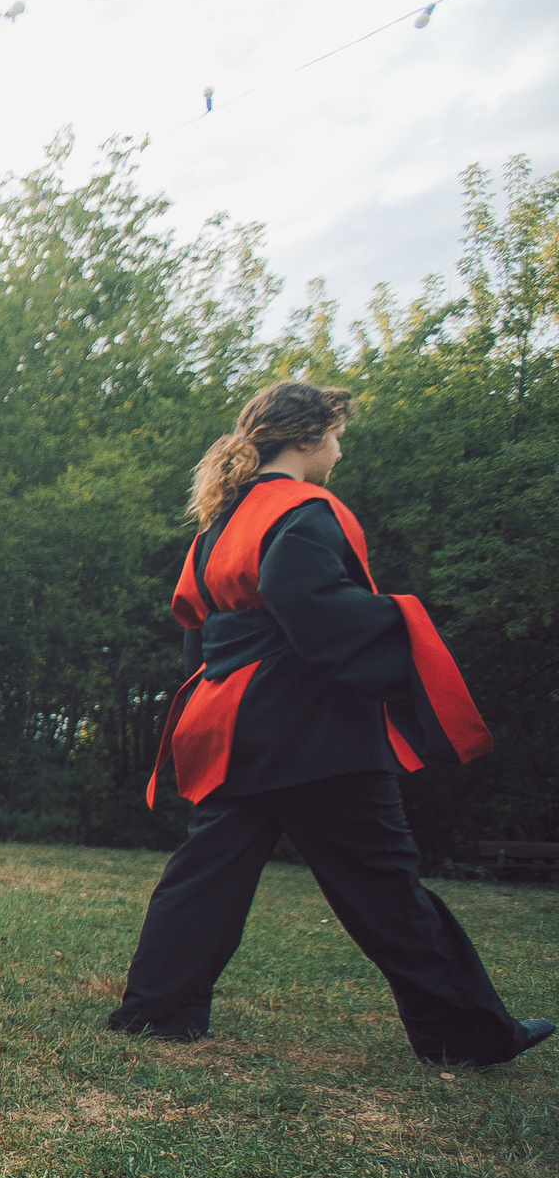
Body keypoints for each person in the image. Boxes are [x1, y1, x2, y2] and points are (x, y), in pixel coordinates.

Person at [110, 381, 550, 1067]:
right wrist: (405, 620)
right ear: (308, 436)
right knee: (384, 883)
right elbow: (316, 611)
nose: (339, 452)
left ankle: (156, 1011)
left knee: (207, 873)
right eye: (337, 436)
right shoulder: (305, 510)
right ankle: (464, 1035)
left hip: (230, 726)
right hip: (309, 729)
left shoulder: (219, 523)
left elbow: (198, 638)